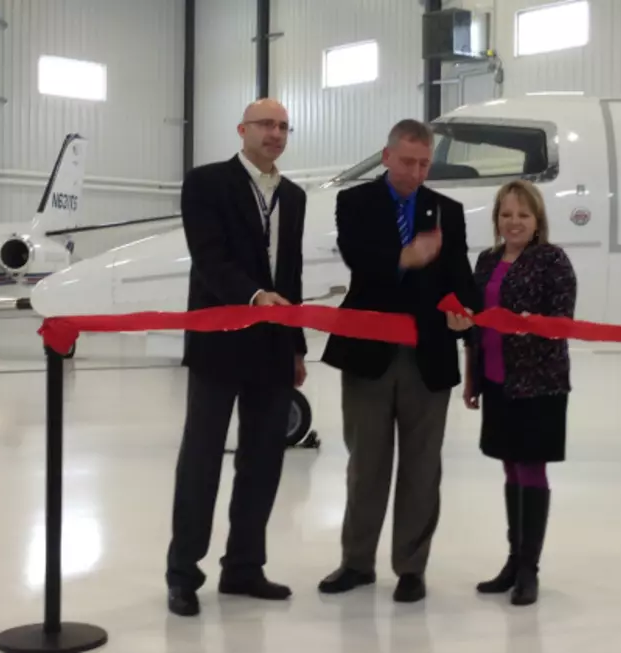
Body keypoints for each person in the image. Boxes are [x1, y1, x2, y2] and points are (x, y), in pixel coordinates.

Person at [319, 118, 481, 603]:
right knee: (366, 464)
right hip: (368, 355)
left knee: (421, 467)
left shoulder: (446, 211)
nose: (416, 171)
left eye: (424, 163)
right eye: (408, 161)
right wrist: (406, 257)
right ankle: (356, 563)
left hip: (428, 358)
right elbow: (359, 258)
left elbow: (460, 277)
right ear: (386, 157)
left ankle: (411, 568)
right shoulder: (354, 202)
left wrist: (465, 312)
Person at [165, 98, 308, 616]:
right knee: (201, 459)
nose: (275, 133)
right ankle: (183, 575)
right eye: (266, 124)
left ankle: (244, 568)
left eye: (283, 127)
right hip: (219, 340)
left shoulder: (292, 195)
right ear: (242, 129)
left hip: (272, 347)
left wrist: (295, 345)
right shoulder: (206, 183)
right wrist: (252, 297)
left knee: (263, 461)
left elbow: (289, 273)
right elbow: (209, 257)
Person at [460, 179, 577, 606]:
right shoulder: (486, 261)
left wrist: (527, 322)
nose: (514, 222)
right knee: (510, 468)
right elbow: (475, 323)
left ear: (537, 220)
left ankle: (530, 568)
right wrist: (472, 377)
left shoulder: (552, 261)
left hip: (538, 384)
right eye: (506, 214)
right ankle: (513, 560)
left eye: (523, 215)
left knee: (531, 469)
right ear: (496, 219)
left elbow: (562, 321)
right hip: (495, 380)